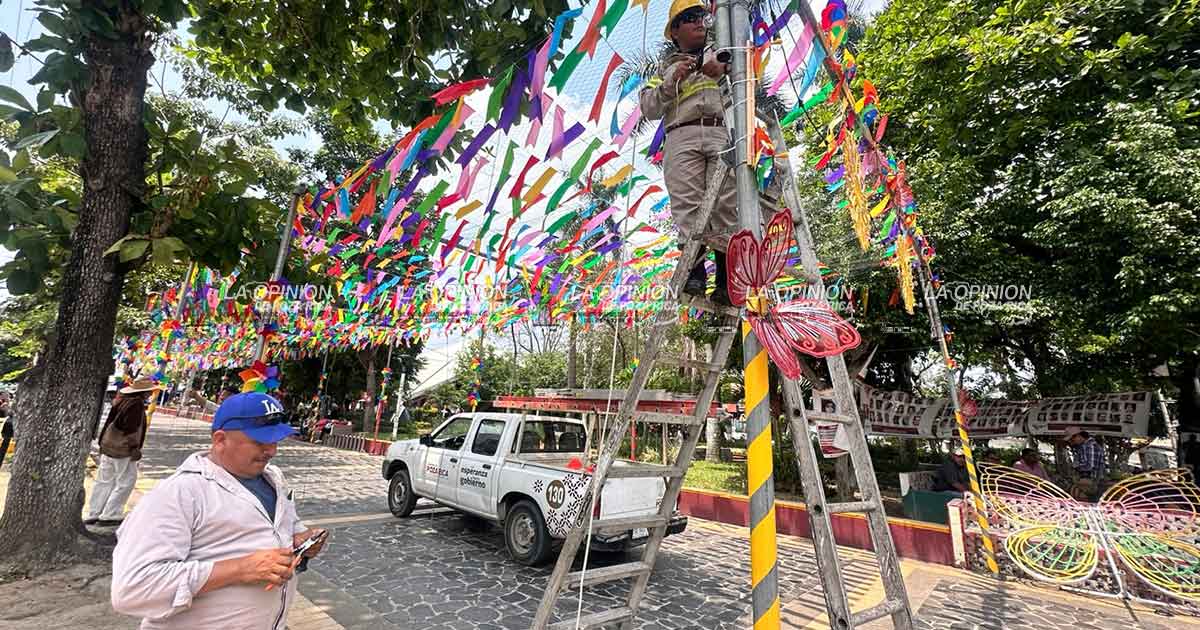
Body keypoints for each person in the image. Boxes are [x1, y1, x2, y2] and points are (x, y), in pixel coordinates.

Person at [111, 392, 328, 629]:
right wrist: (241, 569)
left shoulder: (274, 479)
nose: (271, 451)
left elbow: (285, 526)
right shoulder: (179, 493)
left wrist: (300, 540)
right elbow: (133, 588)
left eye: (276, 440)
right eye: (260, 442)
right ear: (220, 439)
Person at [640, 0, 743, 305]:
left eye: (701, 16)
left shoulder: (724, 51)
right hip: (680, 135)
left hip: (719, 130)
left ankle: (726, 282)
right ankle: (695, 275)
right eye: (689, 19)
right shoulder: (663, 68)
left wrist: (722, 68)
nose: (699, 22)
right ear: (674, 32)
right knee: (688, 205)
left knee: (725, 203)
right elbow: (648, 108)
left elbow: (746, 74)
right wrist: (672, 80)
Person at [85, 378, 159, 526]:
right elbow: (130, 429)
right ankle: (110, 514)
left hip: (108, 446)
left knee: (104, 481)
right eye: (149, 391)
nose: (151, 393)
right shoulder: (135, 405)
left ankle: (95, 512)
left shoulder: (121, 400)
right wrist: (134, 448)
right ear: (143, 393)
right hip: (122, 449)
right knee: (126, 481)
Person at [1064, 426, 1107, 501]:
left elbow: (1089, 466)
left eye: (1072, 439)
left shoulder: (1088, 446)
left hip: (1089, 481)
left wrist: (1075, 466)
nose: (1072, 441)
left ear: (1078, 436)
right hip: (1091, 481)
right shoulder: (1088, 445)